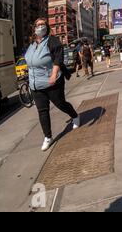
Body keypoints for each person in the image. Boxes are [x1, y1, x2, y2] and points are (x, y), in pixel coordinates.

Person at [25, 18, 80, 152]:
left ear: (47, 27)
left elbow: (58, 59)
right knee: (42, 111)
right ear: (34, 28)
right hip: (36, 85)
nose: (40, 27)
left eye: (42, 24)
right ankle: (47, 137)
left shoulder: (52, 41)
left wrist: (54, 74)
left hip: (52, 81)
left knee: (60, 103)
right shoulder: (32, 44)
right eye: (37, 25)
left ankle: (75, 116)